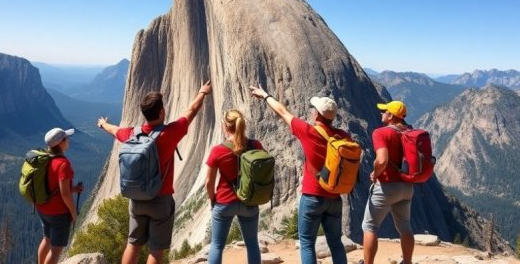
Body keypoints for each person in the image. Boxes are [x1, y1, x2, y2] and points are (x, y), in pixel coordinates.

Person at [97, 80, 212, 264]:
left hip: (136, 199)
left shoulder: (131, 134)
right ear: (161, 112)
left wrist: (103, 124)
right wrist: (202, 92)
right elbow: (191, 111)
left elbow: (115, 131)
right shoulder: (170, 133)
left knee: (132, 244)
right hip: (160, 200)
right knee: (156, 250)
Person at [249, 84, 350, 264]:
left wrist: (265, 96)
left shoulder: (308, 131)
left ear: (317, 114)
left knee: (306, 243)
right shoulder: (343, 137)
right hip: (335, 197)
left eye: (313, 109)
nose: (311, 112)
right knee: (335, 243)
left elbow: (283, 112)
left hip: (312, 197)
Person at [205, 109, 262, 264]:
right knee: (252, 245)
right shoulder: (256, 145)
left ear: (225, 126)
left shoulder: (218, 150)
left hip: (224, 202)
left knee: (217, 245)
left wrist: (213, 200)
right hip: (249, 202)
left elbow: (209, 182)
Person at [361, 100, 414, 264]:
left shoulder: (381, 133)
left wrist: (375, 173)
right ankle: (407, 262)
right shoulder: (410, 132)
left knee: (369, 227)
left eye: (384, 111)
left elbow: (382, 160)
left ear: (391, 116)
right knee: (405, 227)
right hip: (407, 187)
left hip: (387, 186)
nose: (381, 113)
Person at [36, 127, 84, 264]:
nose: (68, 140)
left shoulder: (44, 159)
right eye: (66, 138)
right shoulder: (63, 164)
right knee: (56, 250)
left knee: (46, 239)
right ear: (61, 143)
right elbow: (64, 194)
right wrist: (74, 213)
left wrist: (73, 189)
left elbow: (53, 186)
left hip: (42, 208)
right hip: (58, 213)